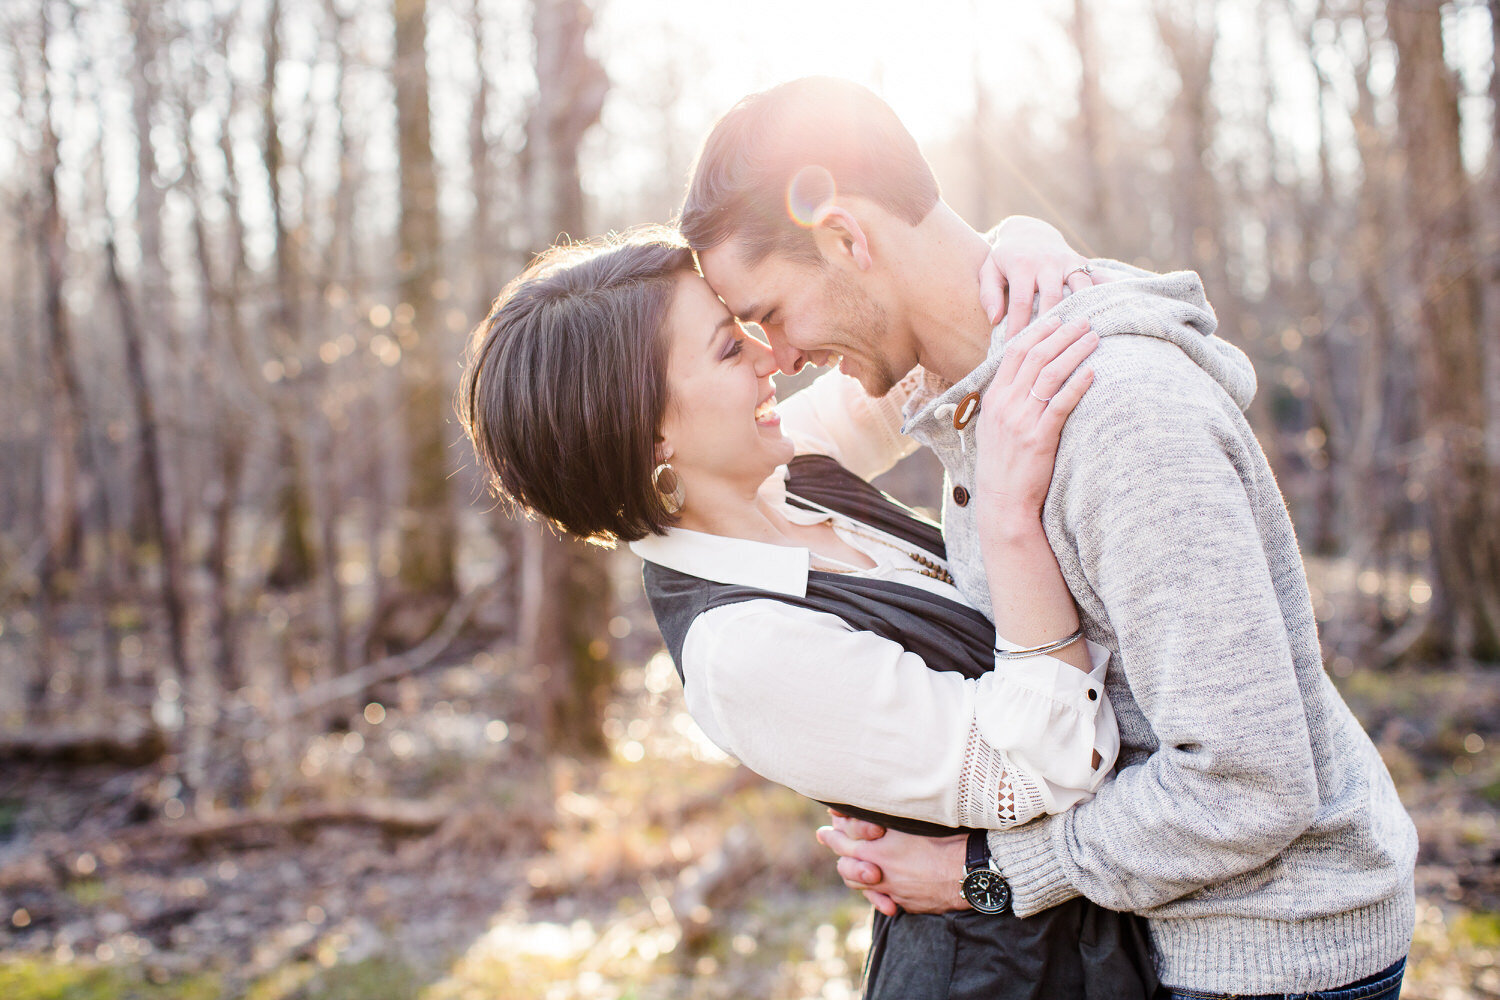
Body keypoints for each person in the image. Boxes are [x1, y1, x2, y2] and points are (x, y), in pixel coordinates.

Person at [679, 76, 1417, 1000]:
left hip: (1270, 953)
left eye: (773, 315)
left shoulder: (1122, 423)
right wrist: (1020, 237)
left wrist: (982, 873)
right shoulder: (971, 391)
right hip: (1167, 932)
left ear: (845, 236)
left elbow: (1250, 786)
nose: (775, 359)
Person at [458, 223, 1163, 999]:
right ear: (651, 428)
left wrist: (1020, 245)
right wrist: (1007, 515)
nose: (773, 356)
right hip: (1007, 979)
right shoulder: (742, 650)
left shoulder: (782, 469)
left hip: (1101, 940)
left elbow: (917, 335)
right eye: (730, 348)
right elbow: (1050, 767)